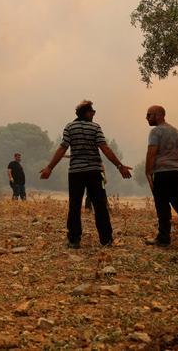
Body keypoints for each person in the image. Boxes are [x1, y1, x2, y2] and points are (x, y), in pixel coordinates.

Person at [40, 100, 132, 248]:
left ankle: (74, 240)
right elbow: (105, 148)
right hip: (94, 172)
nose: (94, 114)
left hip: (75, 172)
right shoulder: (95, 127)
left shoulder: (70, 127)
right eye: (92, 112)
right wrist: (119, 166)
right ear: (87, 113)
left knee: (74, 205)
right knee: (100, 206)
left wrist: (49, 167)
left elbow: (62, 148)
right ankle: (106, 239)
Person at [144, 105, 178, 246]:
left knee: (162, 205)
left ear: (158, 115)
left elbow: (152, 152)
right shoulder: (177, 132)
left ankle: (164, 238)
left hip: (162, 173)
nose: (147, 118)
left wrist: (148, 172)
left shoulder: (155, 131)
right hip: (177, 173)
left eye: (149, 115)